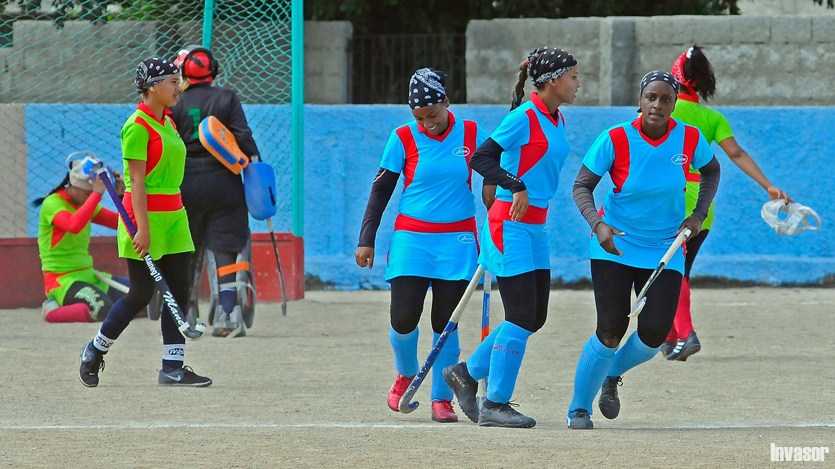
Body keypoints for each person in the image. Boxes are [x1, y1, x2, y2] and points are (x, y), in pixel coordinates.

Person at [565, 71, 721, 430]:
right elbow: (582, 186)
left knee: (654, 334)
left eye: (666, 99)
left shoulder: (689, 138)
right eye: (651, 97)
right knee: (610, 329)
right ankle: (578, 408)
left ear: (674, 104)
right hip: (614, 245)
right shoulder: (615, 138)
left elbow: (712, 171)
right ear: (640, 100)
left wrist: (698, 215)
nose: (658, 104)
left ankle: (611, 374)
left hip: (666, 247)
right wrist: (597, 224)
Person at [442, 46, 581, 429]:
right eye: (572, 77)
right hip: (509, 223)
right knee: (520, 315)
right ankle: (495, 403)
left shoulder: (558, 118)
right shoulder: (525, 117)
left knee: (535, 317)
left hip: (535, 226)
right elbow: (481, 158)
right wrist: (514, 185)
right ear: (552, 81)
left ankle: (465, 373)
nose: (577, 83)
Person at [355, 68, 489, 423]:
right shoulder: (402, 137)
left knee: (446, 323)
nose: (426, 124)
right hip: (412, 240)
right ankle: (406, 373)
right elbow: (380, 189)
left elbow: (495, 177)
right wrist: (366, 239)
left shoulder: (473, 133)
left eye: (432, 115)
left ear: (446, 101)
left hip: (458, 242)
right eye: (419, 118)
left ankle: (441, 399)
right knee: (403, 318)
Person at [78, 57, 211, 388]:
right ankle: (95, 350)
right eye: (171, 81)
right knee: (141, 293)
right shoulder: (137, 127)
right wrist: (142, 227)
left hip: (174, 216)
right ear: (153, 87)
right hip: (145, 217)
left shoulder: (168, 121)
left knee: (179, 291)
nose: (178, 87)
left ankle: (172, 367)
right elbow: (137, 182)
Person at [663, 45, 792, 360]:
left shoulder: (660, 109)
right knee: (679, 269)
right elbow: (736, 154)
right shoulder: (711, 117)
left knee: (667, 269)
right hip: (703, 205)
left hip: (668, 200)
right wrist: (769, 186)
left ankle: (686, 334)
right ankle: (669, 339)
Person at [169, 45, 260, 338]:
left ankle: (186, 312)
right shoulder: (227, 97)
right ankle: (228, 315)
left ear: (182, 72)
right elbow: (243, 136)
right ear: (214, 71)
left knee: (186, 248)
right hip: (224, 182)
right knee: (225, 248)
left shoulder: (176, 101)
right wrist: (256, 164)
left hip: (185, 183)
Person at [35, 153, 128, 323]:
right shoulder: (53, 203)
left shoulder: (85, 204)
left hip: (89, 275)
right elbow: (73, 225)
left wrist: (122, 194)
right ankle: (51, 312)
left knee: (138, 298)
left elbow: (122, 223)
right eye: (87, 193)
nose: (90, 197)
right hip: (62, 279)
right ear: (74, 186)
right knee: (102, 308)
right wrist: (97, 195)